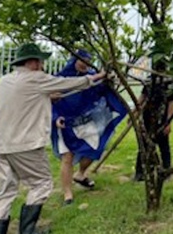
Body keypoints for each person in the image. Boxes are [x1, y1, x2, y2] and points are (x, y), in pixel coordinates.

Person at [0, 43, 105, 234]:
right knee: (41, 183)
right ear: (33, 62)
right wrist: (95, 78)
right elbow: (67, 83)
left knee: (5, 188)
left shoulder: (6, 81)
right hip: (25, 145)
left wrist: (48, 96)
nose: (43, 64)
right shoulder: (36, 78)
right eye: (40, 61)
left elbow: (26, 99)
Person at [51, 50, 127, 205]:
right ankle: (67, 193)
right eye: (81, 60)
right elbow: (48, 100)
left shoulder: (94, 77)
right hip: (65, 124)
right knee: (67, 157)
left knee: (93, 150)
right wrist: (55, 117)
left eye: (87, 60)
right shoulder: (60, 79)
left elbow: (101, 91)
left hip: (86, 121)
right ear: (74, 60)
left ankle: (80, 174)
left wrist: (108, 81)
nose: (84, 63)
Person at [133, 61, 173, 182]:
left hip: (161, 118)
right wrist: (135, 112)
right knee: (144, 145)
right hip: (148, 117)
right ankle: (139, 173)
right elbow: (142, 97)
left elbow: (171, 103)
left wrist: (168, 122)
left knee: (164, 146)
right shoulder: (149, 81)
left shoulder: (169, 83)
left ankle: (166, 172)